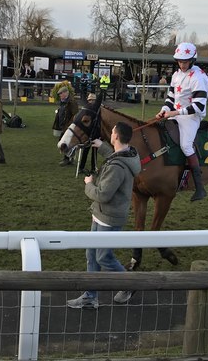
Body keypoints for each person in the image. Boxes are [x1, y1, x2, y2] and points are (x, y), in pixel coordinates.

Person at [66, 121, 141, 309]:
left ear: (116, 136)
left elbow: (102, 194)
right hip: (101, 214)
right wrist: (102, 147)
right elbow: (115, 157)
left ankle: (129, 284)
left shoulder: (117, 167)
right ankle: (90, 296)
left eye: (113, 132)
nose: (111, 133)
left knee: (103, 257)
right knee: (91, 254)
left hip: (109, 217)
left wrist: (88, 183)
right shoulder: (129, 154)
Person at [156, 42, 208, 202]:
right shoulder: (176, 75)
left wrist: (174, 112)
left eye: (185, 61)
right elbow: (171, 98)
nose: (182, 64)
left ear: (192, 61)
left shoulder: (199, 77)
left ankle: (200, 187)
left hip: (191, 117)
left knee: (186, 145)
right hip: (176, 113)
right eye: (179, 61)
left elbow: (198, 106)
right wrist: (164, 110)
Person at [53, 86, 79, 166]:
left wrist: (70, 125)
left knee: (63, 142)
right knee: (65, 142)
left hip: (69, 126)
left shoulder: (71, 102)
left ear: (65, 93)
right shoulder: (63, 102)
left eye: (61, 93)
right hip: (63, 125)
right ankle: (69, 158)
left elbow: (75, 114)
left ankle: (66, 159)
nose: (60, 95)